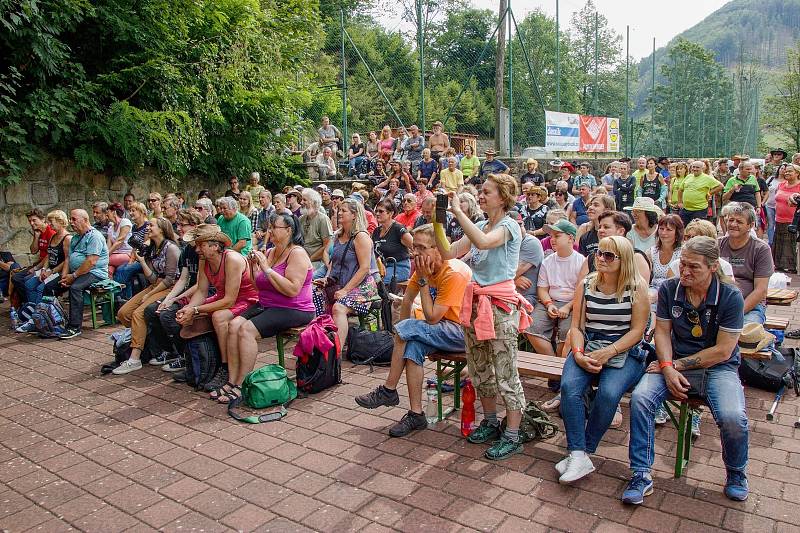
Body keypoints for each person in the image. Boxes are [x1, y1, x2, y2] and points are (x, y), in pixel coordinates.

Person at [623, 236, 748, 505]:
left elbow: (723, 351)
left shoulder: (730, 296)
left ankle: (736, 472)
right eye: (683, 266)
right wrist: (667, 366)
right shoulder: (670, 288)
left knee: (732, 416)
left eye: (694, 267)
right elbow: (663, 333)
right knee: (641, 398)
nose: (685, 272)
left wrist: (672, 366)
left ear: (713, 267)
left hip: (718, 368)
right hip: (672, 361)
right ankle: (641, 474)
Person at [433, 173, 531, 460]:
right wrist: (440, 223)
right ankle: (490, 421)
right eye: (481, 191)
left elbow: (485, 243)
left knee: (505, 371)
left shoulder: (509, 226)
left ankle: (512, 435)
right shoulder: (478, 225)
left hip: (499, 307)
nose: (481, 195)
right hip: (476, 305)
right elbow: (449, 252)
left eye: (487, 192)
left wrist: (459, 212)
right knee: (480, 369)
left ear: (503, 197)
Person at [355, 223, 472, 436]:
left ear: (438, 249)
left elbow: (433, 317)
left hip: (463, 333)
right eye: (414, 247)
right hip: (439, 329)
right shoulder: (422, 267)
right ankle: (416, 415)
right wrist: (404, 335)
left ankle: (389, 390)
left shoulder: (452, 272)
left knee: (407, 330)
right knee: (413, 346)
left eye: (421, 247)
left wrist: (424, 283)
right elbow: (407, 301)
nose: (415, 252)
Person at [557, 236, 649, 483]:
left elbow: (637, 331)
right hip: (589, 343)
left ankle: (582, 451)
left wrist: (610, 351)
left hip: (625, 349)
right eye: (599, 253)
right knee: (569, 387)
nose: (601, 258)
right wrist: (578, 354)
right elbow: (576, 327)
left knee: (608, 393)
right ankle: (578, 453)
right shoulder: (587, 284)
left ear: (624, 260)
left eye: (609, 255)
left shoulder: (637, 287)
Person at [220, 214, 316, 403]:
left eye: (274, 227)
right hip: (268, 304)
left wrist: (266, 268)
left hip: (295, 308)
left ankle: (242, 385)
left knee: (246, 330)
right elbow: (259, 287)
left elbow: (292, 290)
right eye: (269, 226)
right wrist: (254, 268)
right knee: (233, 325)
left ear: (288, 230)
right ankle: (232, 380)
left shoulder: (297, 253)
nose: (269, 231)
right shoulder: (271, 252)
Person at [176, 225, 261, 391]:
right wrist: (189, 309)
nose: (196, 248)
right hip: (225, 297)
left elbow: (229, 301)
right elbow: (201, 291)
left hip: (248, 300)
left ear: (215, 246)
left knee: (218, 317)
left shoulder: (232, 259)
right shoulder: (204, 260)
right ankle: (198, 364)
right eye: (196, 244)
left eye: (201, 244)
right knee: (180, 311)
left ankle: (225, 366)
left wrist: (195, 310)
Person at [112, 218, 181, 374]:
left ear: (162, 229)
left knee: (138, 314)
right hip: (156, 284)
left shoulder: (171, 248)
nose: (148, 227)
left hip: (170, 287)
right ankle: (146, 341)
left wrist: (149, 294)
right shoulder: (153, 248)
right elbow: (152, 278)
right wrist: (142, 261)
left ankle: (135, 358)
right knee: (124, 313)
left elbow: (170, 279)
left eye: (151, 225)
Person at [314, 198, 381, 346]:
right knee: (315, 294)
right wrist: (326, 278)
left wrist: (345, 290)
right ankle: (322, 340)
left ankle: (336, 351)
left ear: (354, 215)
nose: (339, 213)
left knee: (339, 307)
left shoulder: (360, 236)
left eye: (344, 210)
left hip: (363, 288)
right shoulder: (337, 236)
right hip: (341, 284)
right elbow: (333, 263)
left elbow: (364, 268)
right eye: (339, 210)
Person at [143, 209, 203, 372]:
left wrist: (174, 300)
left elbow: (201, 284)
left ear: (195, 226)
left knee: (168, 314)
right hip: (187, 292)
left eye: (183, 225)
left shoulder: (201, 249)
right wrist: (168, 298)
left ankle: (185, 356)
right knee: (151, 310)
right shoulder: (186, 250)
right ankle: (169, 351)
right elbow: (183, 279)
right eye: (178, 224)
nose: (179, 229)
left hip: (201, 294)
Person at [529, 219, 584, 358]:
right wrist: (549, 304)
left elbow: (582, 291)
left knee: (567, 332)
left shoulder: (581, 261)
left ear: (570, 238)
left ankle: (558, 367)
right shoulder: (548, 261)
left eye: (557, 236)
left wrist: (567, 307)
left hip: (573, 302)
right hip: (550, 300)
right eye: (551, 236)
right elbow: (542, 289)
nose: (552, 239)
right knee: (531, 325)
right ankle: (553, 363)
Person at [718, 202, 773, 324]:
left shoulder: (761, 249)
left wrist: (737, 312)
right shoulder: (717, 245)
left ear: (751, 225)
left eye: (739, 221)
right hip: (719, 303)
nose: (733, 224)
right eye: (731, 220)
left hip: (750, 306)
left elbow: (761, 290)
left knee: (745, 332)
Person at [58, 209, 109, 339]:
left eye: (74, 219)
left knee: (75, 287)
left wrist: (73, 276)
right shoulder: (75, 237)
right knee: (50, 285)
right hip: (77, 272)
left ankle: (74, 327)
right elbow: (68, 258)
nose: (71, 222)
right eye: (71, 219)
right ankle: (50, 320)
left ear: (85, 220)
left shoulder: (94, 236)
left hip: (95, 272)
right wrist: (64, 276)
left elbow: (91, 262)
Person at [15, 211, 71, 321]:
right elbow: (48, 256)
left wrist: (51, 271)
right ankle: (33, 311)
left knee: (42, 287)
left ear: (60, 222)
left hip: (59, 271)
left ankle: (40, 317)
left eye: (51, 222)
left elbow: (67, 260)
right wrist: (44, 269)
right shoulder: (53, 236)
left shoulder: (67, 238)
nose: (49, 225)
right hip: (49, 269)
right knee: (29, 283)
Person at [10, 209, 56, 303]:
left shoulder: (51, 232)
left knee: (23, 279)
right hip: (40, 264)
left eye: (34, 220)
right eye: (30, 221)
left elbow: (50, 255)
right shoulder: (38, 232)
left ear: (43, 219)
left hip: (48, 265)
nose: (31, 223)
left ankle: (31, 303)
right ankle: (28, 303)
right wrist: (36, 237)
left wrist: (35, 268)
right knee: (15, 277)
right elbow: (34, 251)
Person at [113, 202, 150, 300]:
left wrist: (133, 262)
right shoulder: (134, 227)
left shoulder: (147, 226)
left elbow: (145, 246)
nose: (131, 213)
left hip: (144, 259)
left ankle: (118, 296)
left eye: (133, 211)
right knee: (120, 268)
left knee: (126, 270)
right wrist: (130, 261)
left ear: (141, 212)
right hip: (135, 257)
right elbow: (134, 246)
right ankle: (125, 297)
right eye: (130, 211)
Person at [771, 163, 800, 272]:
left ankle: (792, 266)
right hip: (779, 218)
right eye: (786, 171)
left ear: (797, 173)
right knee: (779, 242)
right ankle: (778, 265)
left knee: (791, 243)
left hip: (793, 220)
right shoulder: (781, 184)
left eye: (790, 171)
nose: (786, 173)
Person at [677, 161, 723, 226]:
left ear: (702, 168)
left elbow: (720, 186)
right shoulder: (688, 177)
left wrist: (709, 193)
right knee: (682, 228)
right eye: (693, 167)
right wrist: (679, 202)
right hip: (685, 209)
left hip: (699, 210)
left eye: (697, 167)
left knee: (697, 229)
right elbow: (680, 190)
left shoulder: (707, 178)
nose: (695, 169)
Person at [648, 214, 684, 293]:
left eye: (668, 230)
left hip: (672, 292)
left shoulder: (683, 253)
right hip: (651, 290)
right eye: (661, 229)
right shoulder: (651, 252)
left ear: (677, 233)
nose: (663, 233)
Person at [299, 188, 333, 272]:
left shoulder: (323, 219)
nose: (301, 202)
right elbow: (297, 241)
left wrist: (309, 259)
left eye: (304, 200)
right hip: (302, 258)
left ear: (313, 202)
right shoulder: (301, 219)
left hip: (317, 261)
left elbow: (327, 245)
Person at [576, 194, 616, 258]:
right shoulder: (585, 238)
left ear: (607, 210)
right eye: (590, 205)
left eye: (596, 205)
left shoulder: (617, 235)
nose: (590, 207)